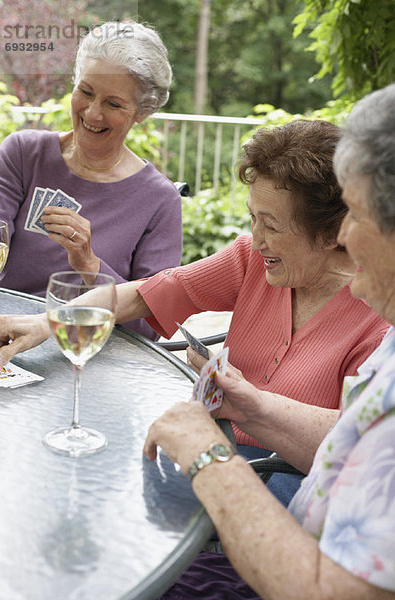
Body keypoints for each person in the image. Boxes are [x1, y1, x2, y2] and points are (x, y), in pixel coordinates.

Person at [0, 118, 389, 507]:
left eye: (272, 225)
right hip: (209, 454)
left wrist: (249, 404)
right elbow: (145, 294)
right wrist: (49, 322)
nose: (258, 238)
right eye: (253, 217)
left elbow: (357, 448)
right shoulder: (251, 259)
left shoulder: (380, 313)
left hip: (288, 490)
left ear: (330, 232)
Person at [140, 83, 395, 599]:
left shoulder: (377, 324)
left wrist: (210, 458)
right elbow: (353, 432)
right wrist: (253, 408)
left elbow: (336, 591)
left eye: (357, 216)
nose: (345, 235)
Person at [0, 21, 182, 340]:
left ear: (142, 111)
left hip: (89, 352)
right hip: (2, 331)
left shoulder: (160, 200)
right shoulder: (23, 153)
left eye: (113, 103)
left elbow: (151, 327)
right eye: (86, 92)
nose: (92, 113)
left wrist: (89, 264)